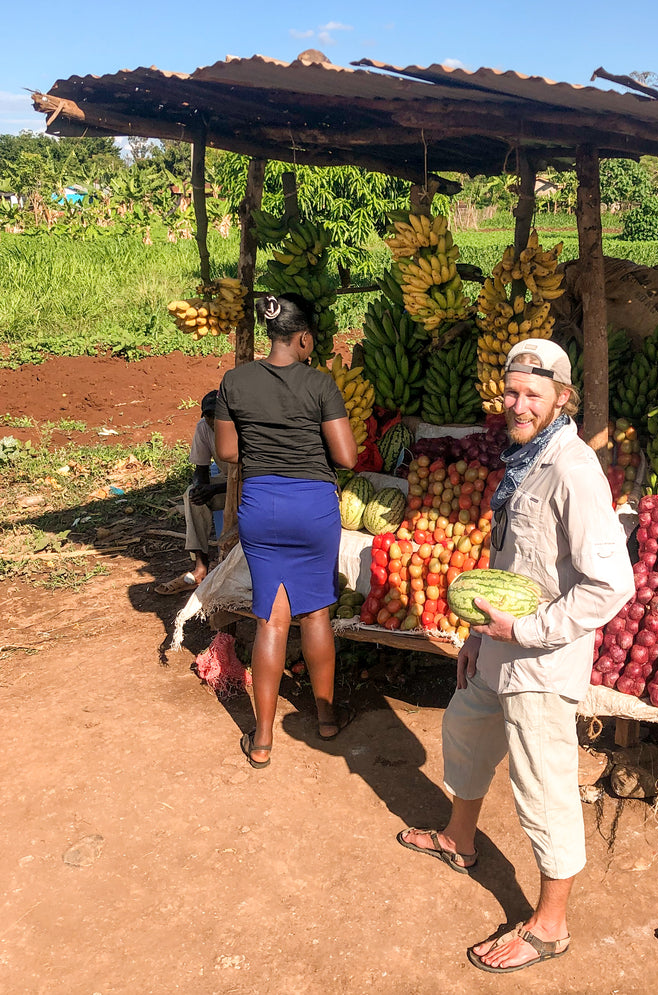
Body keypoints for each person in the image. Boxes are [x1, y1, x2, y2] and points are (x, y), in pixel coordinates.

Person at [397, 339, 635, 973]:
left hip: (540, 657)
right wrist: (479, 631)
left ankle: (550, 925)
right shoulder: (527, 458)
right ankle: (459, 838)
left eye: (533, 394)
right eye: (511, 392)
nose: (519, 403)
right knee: (466, 728)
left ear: (562, 398)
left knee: (543, 785)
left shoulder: (574, 470)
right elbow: (515, 558)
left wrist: (528, 630)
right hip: (499, 642)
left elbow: (612, 584)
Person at [213, 293, 357, 768]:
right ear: (304, 338)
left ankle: (262, 738)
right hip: (312, 507)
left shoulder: (235, 381)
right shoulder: (319, 383)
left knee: (271, 620)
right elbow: (346, 457)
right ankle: (326, 718)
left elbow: (228, 453)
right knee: (315, 615)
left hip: (262, 506)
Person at [154, 389, 226, 596]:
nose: (213, 420)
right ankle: (201, 567)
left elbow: (252, 475)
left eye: (217, 415)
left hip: (253, 484)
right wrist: (201, 489)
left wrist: (215, 489)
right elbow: (201, 468)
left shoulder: (242, 427)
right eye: (209, 415)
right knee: (192, 496)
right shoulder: (204, 428)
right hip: (225, 482)